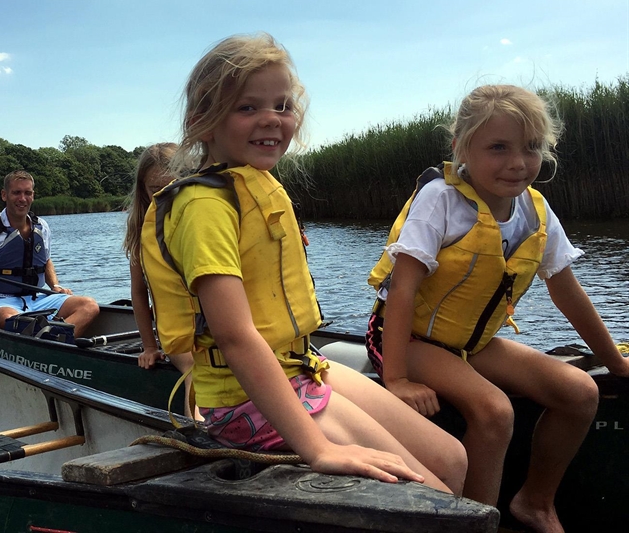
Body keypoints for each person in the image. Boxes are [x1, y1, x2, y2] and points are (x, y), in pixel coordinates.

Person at [140, 33, 467, 495]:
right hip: (243, 398)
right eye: (247, 108)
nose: (271, 118)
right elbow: (235, 336)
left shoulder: (254, 185)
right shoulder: (204, 206)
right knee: (431, 491)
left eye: (283, 105)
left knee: (452, 459)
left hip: (299, 366)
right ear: (202, 122)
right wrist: (319, 449)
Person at [365, 84, 629, 532]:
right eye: (498, 148)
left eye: (531, 148)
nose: (518, 162)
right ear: (462, 147)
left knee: (581, 393)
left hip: (475, 342)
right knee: (495, 411)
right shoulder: (441, 202)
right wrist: (397, 379)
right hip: (409, 339)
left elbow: (567, 293)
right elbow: (403, 290)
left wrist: (616, 365)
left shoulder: (535, 211)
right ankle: (477, 524)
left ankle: (535, 503)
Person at [0, 170, 99, 338]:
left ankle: (52, 340)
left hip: (35, 298)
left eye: (27, 193)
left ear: (33, 195)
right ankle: (54, 340)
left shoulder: (41, 227)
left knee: (89, 306)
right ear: (4, 195)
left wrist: (55, 286)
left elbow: (46, 261)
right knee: (16, 322)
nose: (22, 199)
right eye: (16, 193)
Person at [123, 143, 199, 420]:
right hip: (179, 336)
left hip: (218, 327)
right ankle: (199, 433)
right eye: (156, 189)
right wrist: (150, 346)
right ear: (143, 190)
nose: (167, 194)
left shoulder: (203, 218)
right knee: (197, 368)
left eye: (174, 186)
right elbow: (139, 294)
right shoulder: (140, 231)